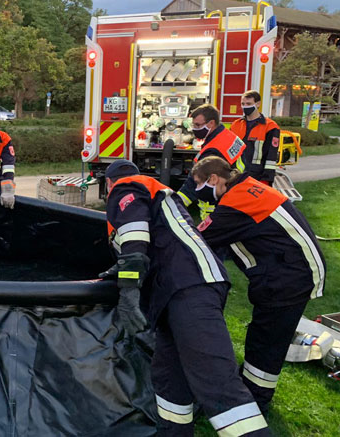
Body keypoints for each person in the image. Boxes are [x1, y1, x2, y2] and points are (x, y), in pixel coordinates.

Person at [100, 159, 269, 436]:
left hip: (187, 287)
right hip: (184, 287)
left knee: (218, 385)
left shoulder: (125, 186)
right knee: (170, 378)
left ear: (108, 183)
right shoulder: (157, 193)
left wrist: (128, 290)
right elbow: (158, 240)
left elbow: (135, 236)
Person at [192, 156, 326, 415]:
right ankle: (251, 389)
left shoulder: (235, 203)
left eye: (199, 185)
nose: (199, 192)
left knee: (267, 341)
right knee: (262, 334)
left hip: (290, 276)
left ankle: (256, 402)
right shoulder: (245, 187)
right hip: (290, 268)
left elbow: (200, 238)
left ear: (213, 179)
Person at [177, 104, 245, 218]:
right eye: (193, 125)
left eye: (198, 125)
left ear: (211, 123)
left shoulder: (213, 150)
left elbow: (195, 181)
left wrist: (176, 202)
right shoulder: (227, 135)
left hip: (214, 206)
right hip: (234, 191)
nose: (194, 128)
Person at [230, 91, 281, 185]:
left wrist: (266, 180)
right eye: (243, 104)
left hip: (258, 177)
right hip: (236, 175)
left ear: (258, 104)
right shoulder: (236, 125)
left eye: (248, 104)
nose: (245, 106)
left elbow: (271, 157)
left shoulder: (270, 127)